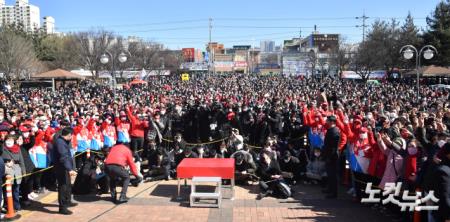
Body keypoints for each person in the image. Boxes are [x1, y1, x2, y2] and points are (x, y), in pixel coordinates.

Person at [53, 127, 78, 215]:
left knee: (67, 185)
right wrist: (70, 169)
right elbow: (64, 157)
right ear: (69, 135)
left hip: (65, 167)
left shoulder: (63, 142)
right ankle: (62, 207)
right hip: (61, 168)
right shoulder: (60, 143)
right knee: (63, 186)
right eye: (71, 136)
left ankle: (67, 201)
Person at [321, 116, 341, 199]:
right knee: (329, 174)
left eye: (328, 121)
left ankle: (334, 193)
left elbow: (334, 147)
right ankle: (329, 189)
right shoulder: (331, 130)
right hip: (328, 155)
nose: (326, 122)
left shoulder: (335, 131)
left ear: (332, 122)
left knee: (333, 175)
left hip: (332, 157)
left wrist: (329, 157)